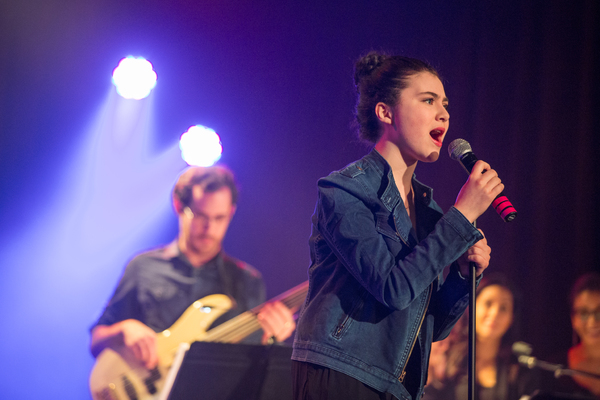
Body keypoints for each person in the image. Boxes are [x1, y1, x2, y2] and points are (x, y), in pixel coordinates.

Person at [291, 51, 503, 400]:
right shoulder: (344, 190)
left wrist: (463, 275)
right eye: (428, 100)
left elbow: (430, 324)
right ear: (385, 112)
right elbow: (392, 288)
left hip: (398, 386)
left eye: (445, 104)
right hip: (343, 370)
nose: (444, 114)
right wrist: (462, 216)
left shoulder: (428, 210)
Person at [90, 165, 296, 370]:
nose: (210, 228)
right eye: (200, 215)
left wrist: (274, 339)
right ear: (179, 205)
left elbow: (256, 366)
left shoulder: (247, 280)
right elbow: (96, 342)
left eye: (219, 218)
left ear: (231, 212)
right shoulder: (143, 267)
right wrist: (123, 330)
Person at [423, 273, 538, 400]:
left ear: (512, 319)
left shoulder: (519, 369)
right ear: (472, 307)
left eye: (504, 308)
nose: (494, 313)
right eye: (488, 303)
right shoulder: (445, 357)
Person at [541, 272, 600, 398]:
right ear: (573, 319)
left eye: (599, 312)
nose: (592, 322)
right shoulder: (553, 368)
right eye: (583, 313)